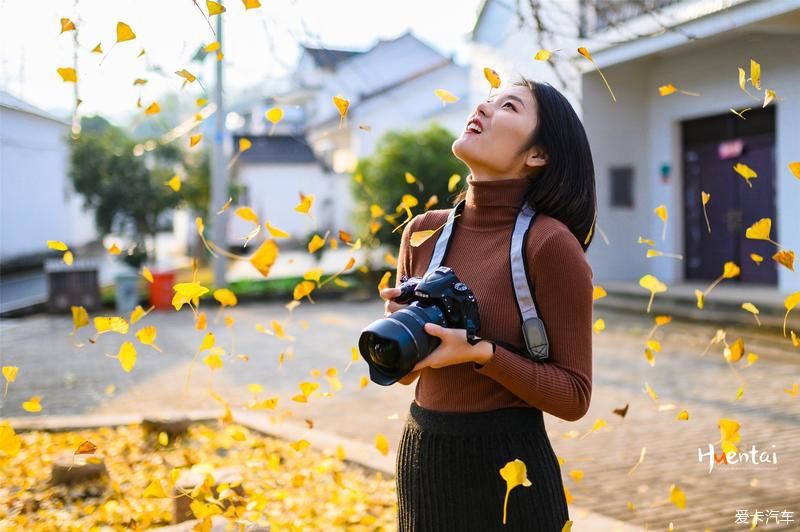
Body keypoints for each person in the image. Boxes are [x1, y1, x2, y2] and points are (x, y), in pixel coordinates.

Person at [379, 78, 596, 531]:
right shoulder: (423, 231)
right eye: (488, 100)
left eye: (509, 106)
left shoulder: (550, 244)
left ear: (537, 154)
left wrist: (483, 354)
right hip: (425, 461)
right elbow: (406, 379)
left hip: (510, 474)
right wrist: (402, 337)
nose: (483, 106)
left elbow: (575, 395)